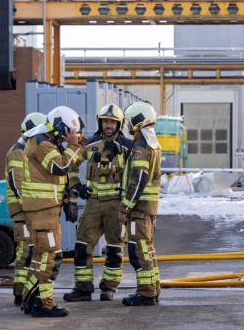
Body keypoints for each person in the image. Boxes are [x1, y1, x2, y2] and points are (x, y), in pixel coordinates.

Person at [63, 104, 133, 302]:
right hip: (93, 203)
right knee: (82, 245)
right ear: (100, 123)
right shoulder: (90, 143)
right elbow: (71, 164)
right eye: (105, 121)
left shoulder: (128, 147)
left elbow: (135, 174)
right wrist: (77, 186)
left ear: (119, 124)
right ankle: (83, 289)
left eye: (112, 121)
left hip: (116, 205)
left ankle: (109, 288)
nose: (108, 125)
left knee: (114, 248)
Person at [19, 106, 84, 317]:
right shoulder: (41, 143)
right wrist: (74, 146)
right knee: (50, 257)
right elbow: (60, 168)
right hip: (42, 211)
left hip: (46, 210)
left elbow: (56, 179)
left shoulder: (46, 141)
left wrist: (68, 200)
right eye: (69, 131)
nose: (71, 136)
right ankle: (43, 304)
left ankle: (29, 300)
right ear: (60, 128)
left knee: (41, 257)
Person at [118, 102, 162, 306]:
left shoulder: (141, 147)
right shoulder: (152, 142)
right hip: (148, 208)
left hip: (139, 209)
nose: (127, 125)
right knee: (147, 248)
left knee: (138, 250)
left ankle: (145, 293)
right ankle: (153, 289)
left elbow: (138, 179)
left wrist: (126, 206)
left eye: (129, 121)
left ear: (137, 121)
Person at [5, 112, 47, 307]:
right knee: (25, 251)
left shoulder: (28, 150)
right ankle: (20, 292)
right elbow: (16, 182)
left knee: (32, 250)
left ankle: (24, 291)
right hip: (23, 212)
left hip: (29, 210)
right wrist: (28, 206)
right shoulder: (18, 151)